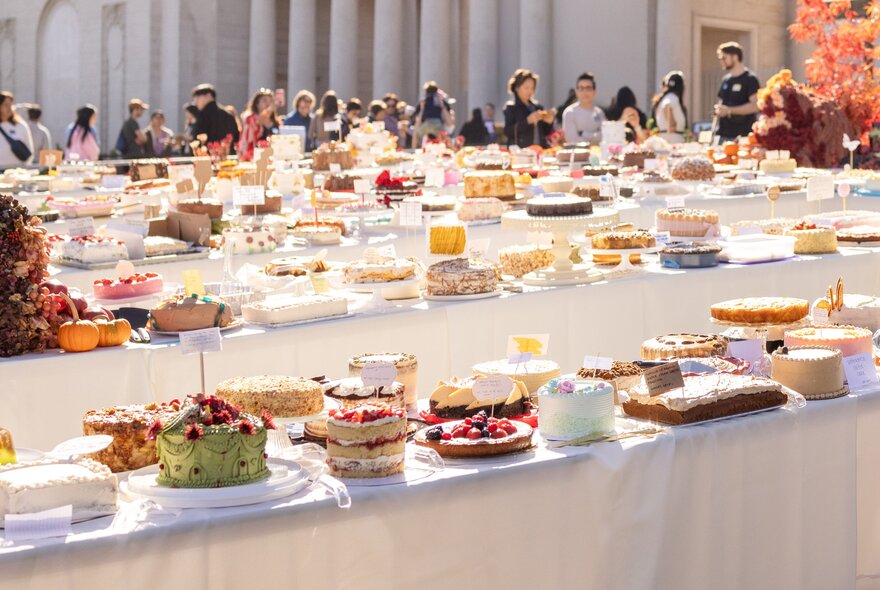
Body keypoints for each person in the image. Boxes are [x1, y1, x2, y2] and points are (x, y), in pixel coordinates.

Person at [714, 41, 760, 141]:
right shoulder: (726, 80)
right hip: (723, 135)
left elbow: (755, 106)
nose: (721, 61)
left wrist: (729, 110)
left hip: (743, 136)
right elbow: (721, 104)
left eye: (724, 58)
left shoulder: (750, 79)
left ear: (735, 57)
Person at [503, 69, 555, 149]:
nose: (530, 91)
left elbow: (545, 133)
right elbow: (508, 131)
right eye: (526, 88)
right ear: (517, 88)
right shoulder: (511, 107)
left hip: (539, 150)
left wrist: (549, 122)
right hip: (521, 152)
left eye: (532, 88)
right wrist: (527, 121)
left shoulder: (537, 107)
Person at [190, 83, 240, 153]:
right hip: (228, 158)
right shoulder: (229, 116)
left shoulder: (203, 115)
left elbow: (197, 140)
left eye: (197, 98)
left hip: (208, 159)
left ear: (208, 95)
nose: (195, 102)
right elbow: (236, 139)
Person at [561, 72, 605, 145]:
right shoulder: (570, 113)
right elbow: (573, 140)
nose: (585, 92)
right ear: (577, 92)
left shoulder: (599, 113)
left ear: (594, 92)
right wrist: (595, 137)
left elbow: (605, 135)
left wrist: (584, 134)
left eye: (588, 88)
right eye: (581, 88)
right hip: (577, 155)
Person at [238, 88, 280, 161]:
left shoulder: (276, 122)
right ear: (257, 104)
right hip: (253, 158)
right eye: (264, 101)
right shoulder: (250, 118)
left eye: (271, 101)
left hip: (273, 159)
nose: (268, 104)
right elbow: (258, 122)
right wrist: (269, 110)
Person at [413, 81, 453, 146]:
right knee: (442, 137)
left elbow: (416, 114)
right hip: (437, 123)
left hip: (427, 123)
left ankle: (413, 149)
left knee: (416, 134)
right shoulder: (439, 100)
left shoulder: (425, 100)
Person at [652, 71, 687, 144]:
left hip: (667, 139)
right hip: (673, 140)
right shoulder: (672, 97)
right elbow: (667, 106)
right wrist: (672, 124)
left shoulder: (665, 98)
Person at [0, 92, 33, 168]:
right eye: (6, 105)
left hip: (17, 172)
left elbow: (30, 151)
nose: (10, 108)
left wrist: (24, 170)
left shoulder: (21, 125)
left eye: (11, 105)